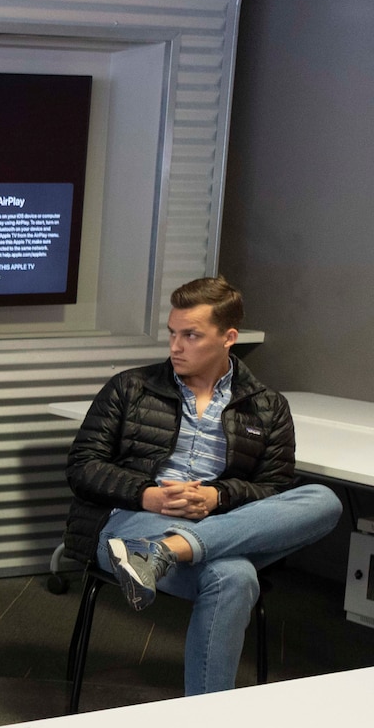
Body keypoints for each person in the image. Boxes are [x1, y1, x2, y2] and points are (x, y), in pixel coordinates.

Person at [65, 276, 342, 695]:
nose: (176, 346)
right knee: (235, 576)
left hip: (219, 526)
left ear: (228, 337)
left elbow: (275, 488)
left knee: (323, 500)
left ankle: (166, 553)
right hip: (129, 527)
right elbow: (83, 468)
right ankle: (210, 720)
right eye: (173, 334)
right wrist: (148, 494)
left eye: (191, 335)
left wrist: (221, 496)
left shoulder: (267, 406)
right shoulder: (130, 388)